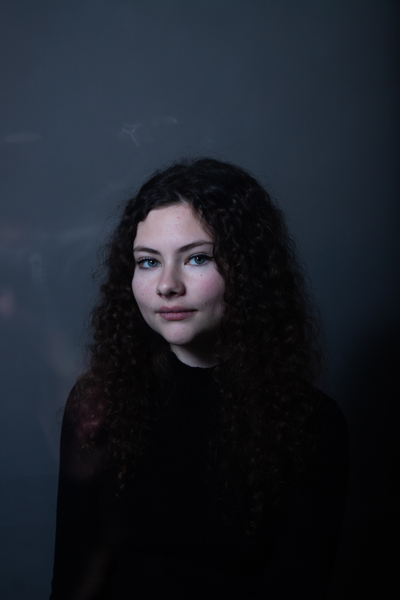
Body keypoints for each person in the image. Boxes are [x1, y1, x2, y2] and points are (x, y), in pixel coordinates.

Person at [50, 158, 348, 600]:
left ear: (246, 271)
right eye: (148, 262)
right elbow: (74, 577)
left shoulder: (308, 423)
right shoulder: (99, 401)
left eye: (197, 258)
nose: (168, 285)